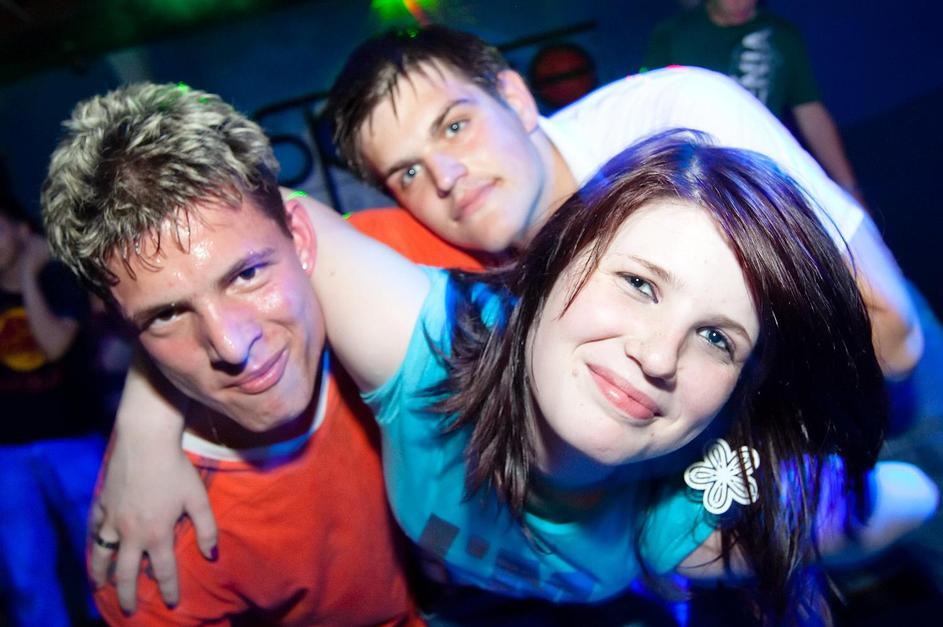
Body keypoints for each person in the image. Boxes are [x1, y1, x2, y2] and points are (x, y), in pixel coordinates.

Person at [279, 130, 929, 622]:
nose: (658, 356)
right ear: (558, 255)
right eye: (639, 284)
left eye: (716, 338)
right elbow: (248, 214)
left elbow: (914, 494)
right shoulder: (419, 344)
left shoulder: (681, 522)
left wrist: (783, 510)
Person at [325, 24, 922, 380]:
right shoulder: (479, 283)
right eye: (408, 172)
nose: (446, 176)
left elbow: (890, 334)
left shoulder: (681, 124)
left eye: (455, 126)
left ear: (516, 99)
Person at [40, 82, 424, 625]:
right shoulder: (157, 554)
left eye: (246, 275)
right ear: (126, 333)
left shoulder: (402, 260)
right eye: (168, 314)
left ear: (302, 238)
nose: (232, 344)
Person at [642, 0, 867, 208]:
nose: (742, 3)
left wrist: (850, 189)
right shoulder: (672, 35)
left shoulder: (781, 34)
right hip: (699, 181)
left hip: (766, 180)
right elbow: (652, 107)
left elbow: (810, 110)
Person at [0, 195, 105, 626]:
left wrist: (28, 275)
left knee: (101, 559)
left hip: (72, 436)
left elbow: (54, 345)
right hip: (8, 450)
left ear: (22, 230)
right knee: (26, 575)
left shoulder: (59, 280)